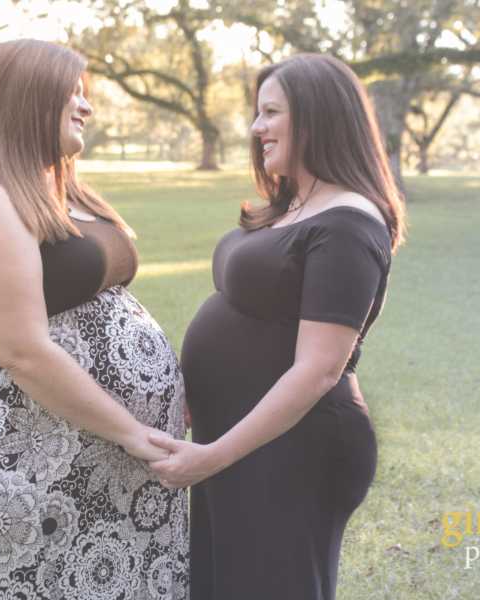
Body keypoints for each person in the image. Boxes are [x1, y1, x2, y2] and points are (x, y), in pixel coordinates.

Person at [0, 40, 188, 600]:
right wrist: (133, 431)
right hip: (29, 467)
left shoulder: (63, 190)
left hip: (102, 463)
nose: (86, 107)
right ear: (26, 99)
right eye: (72, 93)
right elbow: (22, 351)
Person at [148, 53, 407, 600]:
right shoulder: (294, 203)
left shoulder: (349, 224)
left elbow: (317, 371)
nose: (256, 128)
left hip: (295, 449)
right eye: (257, 113)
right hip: (242, 439)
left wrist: (211, 456)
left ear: (317, 117)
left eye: (271, 113)